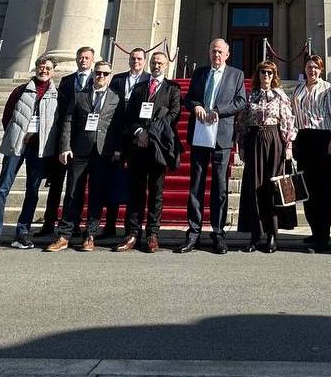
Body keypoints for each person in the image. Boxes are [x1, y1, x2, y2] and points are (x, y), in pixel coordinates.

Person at [0, 55, 60, 252]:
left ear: (53, 71)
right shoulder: (20, 90)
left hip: (38, 149)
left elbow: (55, 123)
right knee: (2, 189)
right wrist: (16, 135)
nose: (44, 70)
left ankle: (22, 233)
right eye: (41, 66)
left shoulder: (55, 95)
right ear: (36, 68)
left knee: (32, 192)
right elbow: (7, 117)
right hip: (16, 146)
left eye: (48, 67)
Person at [177, 37, 247, 254]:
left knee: (220, 186)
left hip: (221, 137)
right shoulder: (200, 73)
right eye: (213, 51)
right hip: (199, 133)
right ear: (209, 53)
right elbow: (188, 98)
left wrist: (218, 111)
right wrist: (196, 106)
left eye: (220, 52)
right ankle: (193, 232)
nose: (216, 55)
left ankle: (218, 233)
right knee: (196, 184)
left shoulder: (236, 75)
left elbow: (240, 102)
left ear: (227, 54)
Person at [45, 59, 122, 252]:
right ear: (93, 74)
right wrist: (65, 146)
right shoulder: (80, 95)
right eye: (98, 73)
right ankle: (65, 234)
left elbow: (118, 126)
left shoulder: (116, 98)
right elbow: (68, 121)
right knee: (72, 193)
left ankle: (90, 235)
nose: (101, 76)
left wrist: (118, 150)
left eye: (105, 74)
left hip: (102, 152)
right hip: (79, 151)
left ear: (110, 76)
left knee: (97, 194)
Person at [114, 51, 182, 253]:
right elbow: (129, 116)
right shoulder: (139, 87)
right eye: (154, 62)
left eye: (160, 63)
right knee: (135, 192)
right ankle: (132, 233)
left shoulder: (173, 88)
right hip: (137, 146)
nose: (156, 66)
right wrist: (139, 132)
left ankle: (152, 234)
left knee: (156, 193)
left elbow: (174, 114)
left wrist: (150, 133)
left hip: (158, 147)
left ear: (166, 65)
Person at [236, 61, 297, 252]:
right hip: (254, 141)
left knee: (272, 188)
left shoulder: (280, 96)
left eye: (270, 73)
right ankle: (255, 235)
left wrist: (288, 146)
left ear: (274, 75)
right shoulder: (250, 95)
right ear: (258, 74)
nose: (266, 76)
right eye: (263, 72)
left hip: (274, 142)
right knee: (254, 188)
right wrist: (241, 146)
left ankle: (272, 235)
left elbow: (287, 121)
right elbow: (242, 123)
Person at [34, 46, 94, 239]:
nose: (83, 60)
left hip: (84, 139)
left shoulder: (97, 79)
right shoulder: (67, 81)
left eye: (86, 58)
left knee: (76, 186)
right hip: (63, 137)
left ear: (92, 60)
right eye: (80, 57)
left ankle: (73, 224)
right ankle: (48, 222)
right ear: (76, 59)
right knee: (56, 184)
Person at [289, 54, 331, 252]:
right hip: (303, 139)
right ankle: (314, 230)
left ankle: (323, 237)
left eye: (316, 68)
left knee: (322, 190)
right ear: (305, 69)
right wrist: (292, 141)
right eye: (310, 67)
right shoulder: (298, 89)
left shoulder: (327, 88)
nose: (312, 70)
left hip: (322, 138)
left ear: (321, 70)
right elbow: (293, 116)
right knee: (306, 188)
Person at [100, 47, 149, 238]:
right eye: (133, 58)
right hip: (118, 135)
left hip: (137, 136)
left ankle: (131, 228)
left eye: (139, 59)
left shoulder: (148, 80)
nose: (136, 61)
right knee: (113, 180)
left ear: (144, 61)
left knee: (136, 184)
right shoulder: (118, 79)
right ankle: (109, 225)